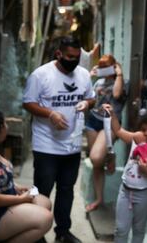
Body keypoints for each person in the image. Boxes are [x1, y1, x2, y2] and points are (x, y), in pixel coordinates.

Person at [23, 36, 95, 243]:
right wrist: (51, 114)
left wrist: (87, 104)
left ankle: (63, 232)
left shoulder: (82, 75)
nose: (73, 60)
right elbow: (28, 103)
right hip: (46, 145)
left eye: (77, 57)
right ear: (59, 54)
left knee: (66, 190)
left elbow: (90, 97)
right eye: (69, 56)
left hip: (71, 146)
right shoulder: (41, 75)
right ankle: (36, 233)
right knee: (42, 190)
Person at [0, 109, 53, 242]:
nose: (7, 127)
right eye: (5, 123)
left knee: (45, 202)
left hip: (6, 202)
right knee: (46, 219)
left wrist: (16, 186)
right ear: (0, 128)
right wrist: (21, 199)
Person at [102, 104, 147, 243]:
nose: (146, 133)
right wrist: (112, 114)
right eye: (143, 129)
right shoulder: (136, 139)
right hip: (125, 191)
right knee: (120, 229)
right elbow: (118, 130)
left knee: (138, 229)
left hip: (145, 194)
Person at [85, 54, 126, 212]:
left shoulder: (123, 82)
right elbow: (85, 96)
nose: (103, 70)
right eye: (101, 67)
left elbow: (116, 95)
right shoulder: (98, 82)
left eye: (106, 67)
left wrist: (119, 73)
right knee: (97, 164)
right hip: (92, 121)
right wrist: (90, 77)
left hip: (110, 123)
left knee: (96, 157)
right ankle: (99, 199)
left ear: (114, 67)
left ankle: (110, 154)